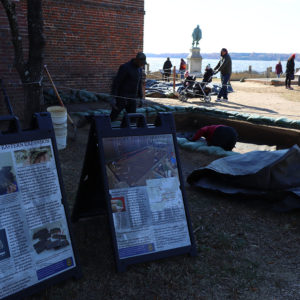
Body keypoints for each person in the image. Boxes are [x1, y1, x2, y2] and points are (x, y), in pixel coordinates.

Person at [110, 52, 147, 121]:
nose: (142, 65)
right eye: (141, 63)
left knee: (132, 118)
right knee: (113, 116)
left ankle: (126, 130)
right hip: (121, 97)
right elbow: (116, 83)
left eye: (143, 64)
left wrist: (141, 97)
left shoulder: (139, 69)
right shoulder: (125, 67)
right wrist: (113, 97)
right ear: (137, 60)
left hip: (132, 98)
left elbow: (139, 84)